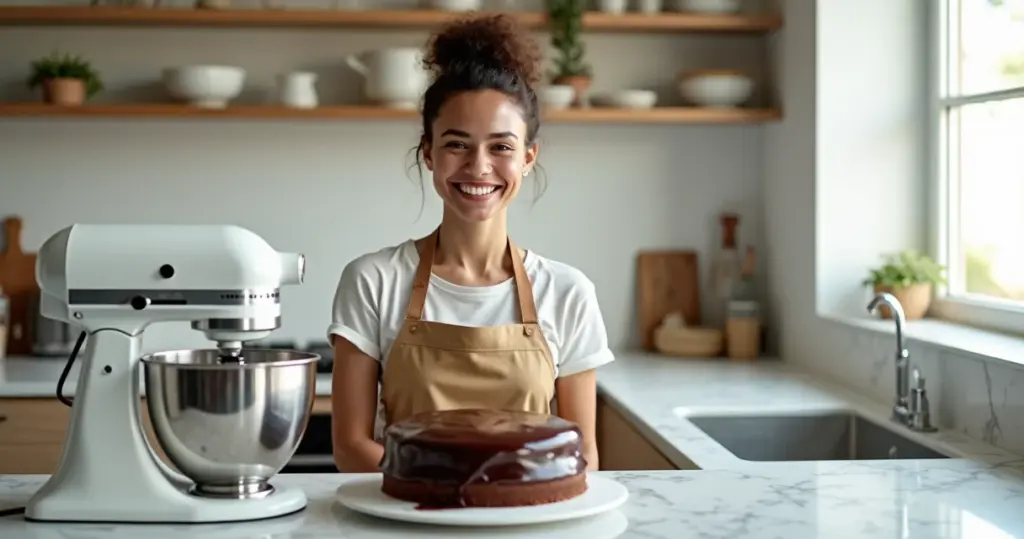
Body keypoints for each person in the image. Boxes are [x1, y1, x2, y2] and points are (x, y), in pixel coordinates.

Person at [327, 13, 615, 474]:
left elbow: (581, 458)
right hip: (408, 520)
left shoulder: (567, 292)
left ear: (528, 158)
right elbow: (351, 448)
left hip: (527, 521)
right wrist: (463, 496)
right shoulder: (373, 281)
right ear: (429, 153)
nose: (479, 167)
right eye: (457, 144)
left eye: (501, 147)